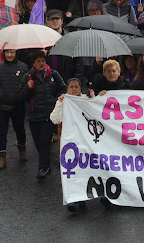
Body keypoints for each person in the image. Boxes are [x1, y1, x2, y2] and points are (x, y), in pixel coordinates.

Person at [20, 50, 67, 179]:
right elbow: (22, 97)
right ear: (33, 63)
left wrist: (58, 98)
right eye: (38, 61)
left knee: (45, 141)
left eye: (43, 61)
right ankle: (46, 165)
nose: (41, 63)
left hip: (49, 115)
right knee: (38, 144)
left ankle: (43, 168)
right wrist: (27, 88)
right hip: (34, 116)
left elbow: (63, 88)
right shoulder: (27, 77)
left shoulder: (54, 74)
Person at [48, 78, 88, 212]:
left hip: (85, 144)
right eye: (71, 87)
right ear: (67, 89)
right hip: (70, 145)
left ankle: (83, 197)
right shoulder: (64, 101)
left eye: (76, 86)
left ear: (80, 89)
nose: (74, 89)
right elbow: (54, 119)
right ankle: (75, 200)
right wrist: (60, 103)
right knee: (73, 173)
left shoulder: (86, 100)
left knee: (84, 171)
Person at [0, 48, 29, 170]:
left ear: (16, 53)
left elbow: (27, 85)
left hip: (18, 105)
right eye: (7, 52)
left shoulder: (23, 67)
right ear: (4, 53)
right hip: (1, 105)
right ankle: (2, 157)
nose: (10, 55)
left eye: (12, 52)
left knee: (20, 128)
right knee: (1, 130)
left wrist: (21, 96)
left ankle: (22, 149)